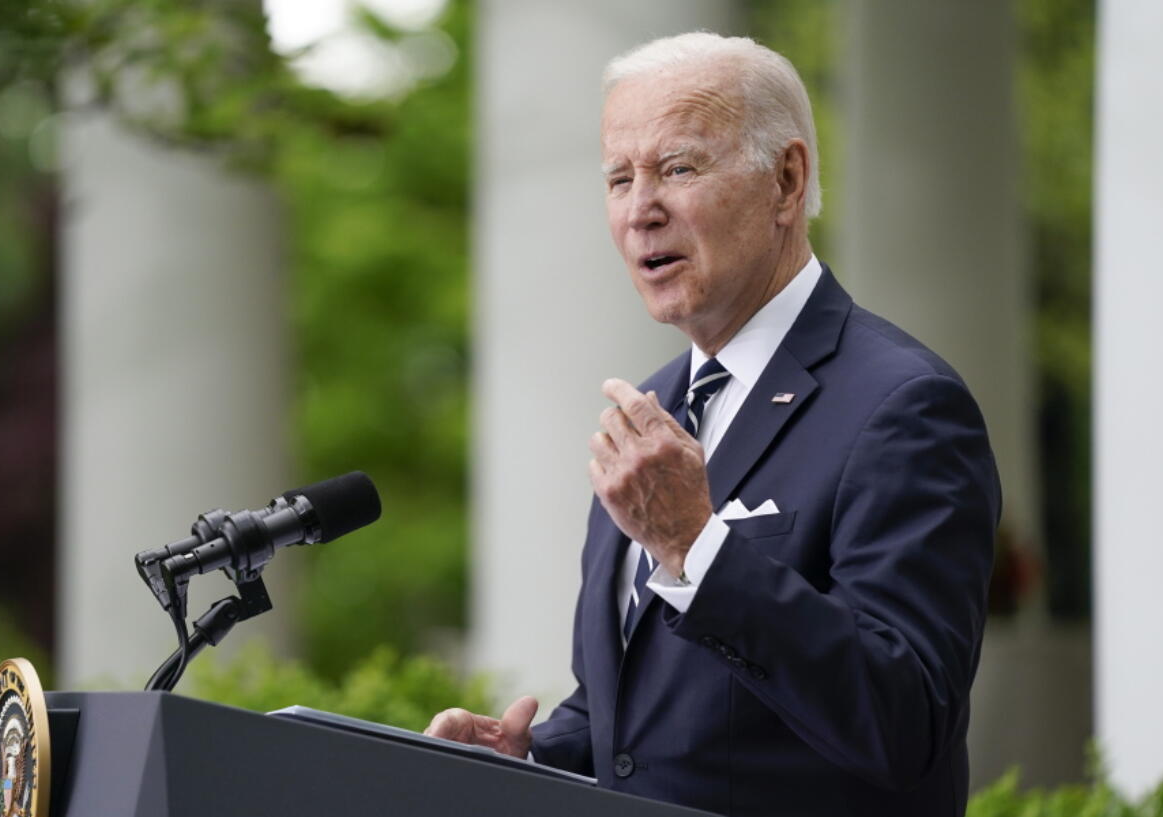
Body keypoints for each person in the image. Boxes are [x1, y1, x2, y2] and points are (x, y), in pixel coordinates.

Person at [426, 32, 999, 817]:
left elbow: (906, 718)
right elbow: (632, 720)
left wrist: (696, 545)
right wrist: (527, 757)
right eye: (619, 178)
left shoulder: (904, 404)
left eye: (677, 168)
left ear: (786, 181)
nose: (639, 210)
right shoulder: (650, 416)